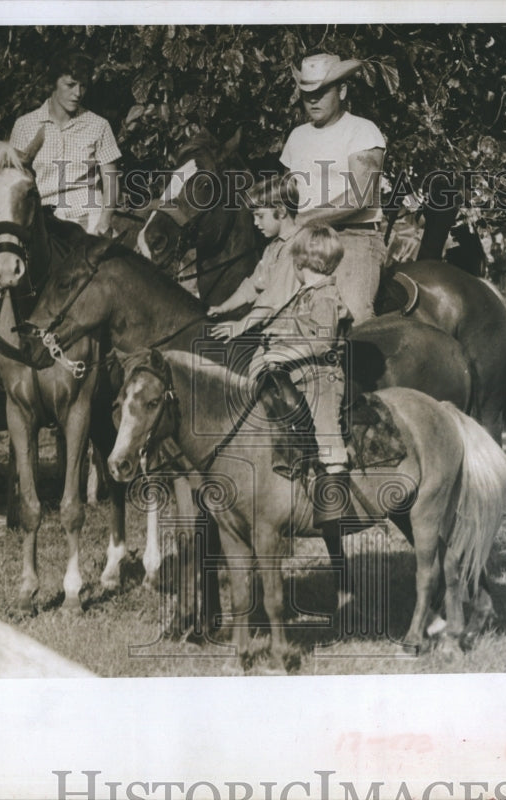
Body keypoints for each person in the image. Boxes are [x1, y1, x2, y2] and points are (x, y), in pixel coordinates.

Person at [0, 52, 121, 413]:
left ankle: (118, 367)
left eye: (83, 85)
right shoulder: (26, 124)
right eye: (70, 84)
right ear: (53, 83)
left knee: (114, 288)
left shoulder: (97, 125)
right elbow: (12, 179)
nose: (78, 92)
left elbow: (112, 181)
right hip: (41, 222)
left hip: (84, 222)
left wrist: (103, 219)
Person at [254, 225, 354, 527]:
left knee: (326, 430)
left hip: (322, 376)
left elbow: (322, 341)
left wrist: (284, 354)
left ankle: (335, 500)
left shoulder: (324, 298)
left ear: (300, 263)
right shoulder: (304, 295)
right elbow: (291, 325)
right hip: (296, 375)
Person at [280, 52, 388, 326]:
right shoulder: (297, 137)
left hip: (354, 238)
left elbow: (360, 196)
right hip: (306, 241)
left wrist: (306, 219)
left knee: (355, 317)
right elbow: (290, 194)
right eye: (306, 93)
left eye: (321, 91)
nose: (313, 100)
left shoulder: (362, 131)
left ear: (342, 90)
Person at [206, 174, 302, 337]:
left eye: (260, 216)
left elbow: (274, 298)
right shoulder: (273, 246)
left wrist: (240, 326)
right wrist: (224, 307)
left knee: (256, 362)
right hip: (276, 328)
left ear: (281, 211)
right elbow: (253, 285)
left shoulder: (298, 245)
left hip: (297, 331)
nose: (256, 223)